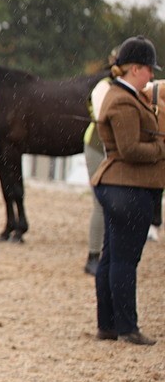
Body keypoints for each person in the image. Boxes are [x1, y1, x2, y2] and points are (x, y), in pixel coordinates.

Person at [92, 35, 165, 346]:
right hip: (126, 187)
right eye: (149, 70)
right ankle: (126, 326)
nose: (151, 76)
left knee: (111, 258)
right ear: (135, 68)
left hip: (125, 187)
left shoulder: (131, 96)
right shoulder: (122, 99)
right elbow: (130, 148)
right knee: (124, 260)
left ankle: (108, 325)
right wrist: (161, 147)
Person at [83, 50, 119, 275]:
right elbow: (104, 118)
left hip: (115, 149)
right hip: (97, 146)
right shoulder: (104, 86)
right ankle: (93, 255)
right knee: (100, 200)